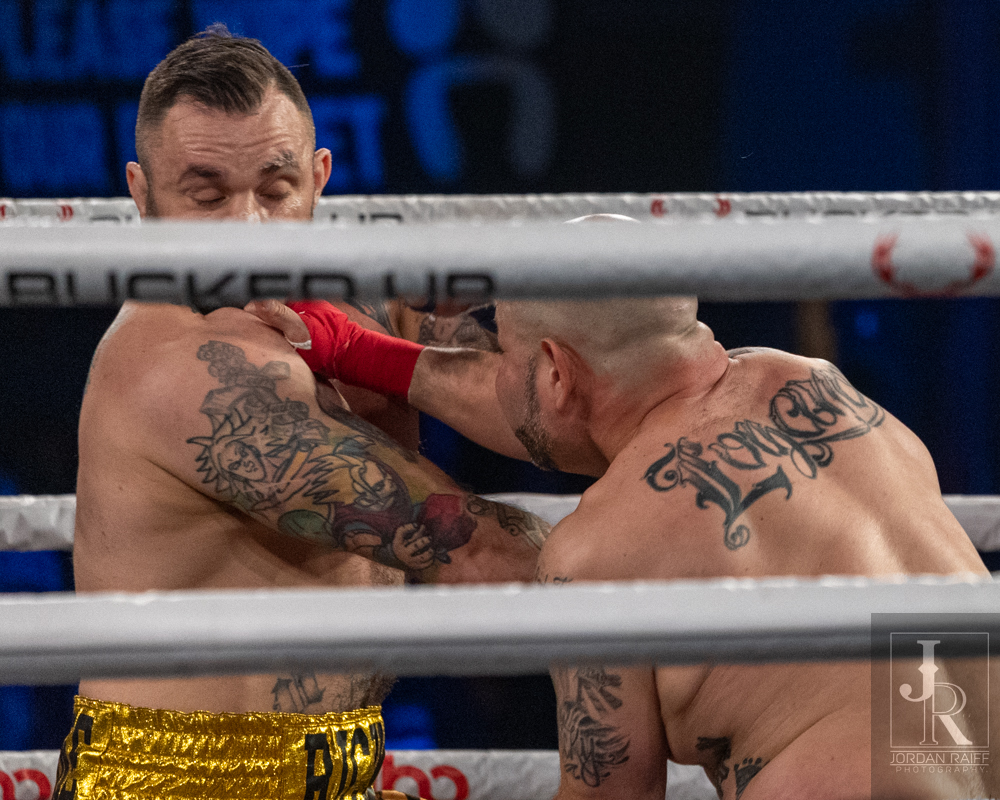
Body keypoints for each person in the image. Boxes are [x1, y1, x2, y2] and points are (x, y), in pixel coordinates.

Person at [56, 27, 548, 800]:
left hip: (343, 772)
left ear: (319, 178)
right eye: (206, 196)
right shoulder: (183, 367)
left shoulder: (355, 305)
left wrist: (372, 354)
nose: (248, 227)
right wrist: (679, 557)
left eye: (275, 189)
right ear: (142, 196)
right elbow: (480, 552)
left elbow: (566, 398)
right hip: (182, 787)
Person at [249, 292, 995, 800]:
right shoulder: (813, 387)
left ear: (554, 372)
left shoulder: (596, 555)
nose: (497, 374)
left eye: (506, 357)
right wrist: (365, 354)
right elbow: (581, 407)